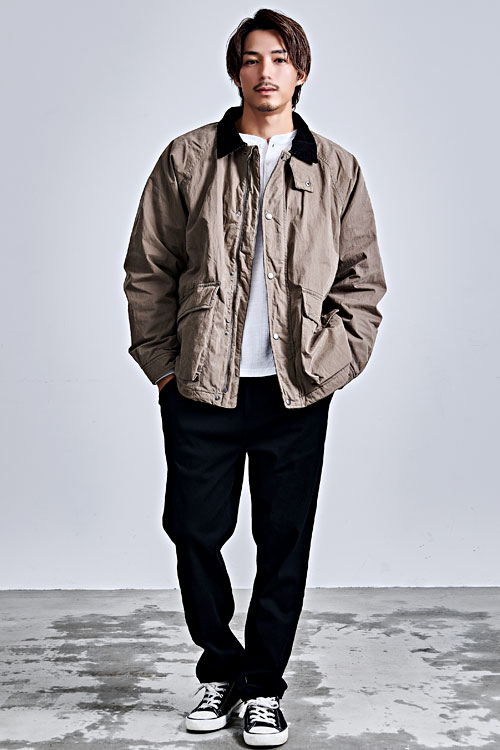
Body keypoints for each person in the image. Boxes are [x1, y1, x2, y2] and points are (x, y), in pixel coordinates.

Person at [123, 8, 386, 747]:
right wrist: (163, 366)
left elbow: (362, 281)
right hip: (202, 386)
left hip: (295, 392)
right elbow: (149, 267)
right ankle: (220, 669)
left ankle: (264, 686)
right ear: (235, 71)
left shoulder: (335, 168)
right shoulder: (188, 158)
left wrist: (334, 363)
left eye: (278, 58)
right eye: (250, 59)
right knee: (194, 531)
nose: (264, 72)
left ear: (300, 71)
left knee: (283, 539)